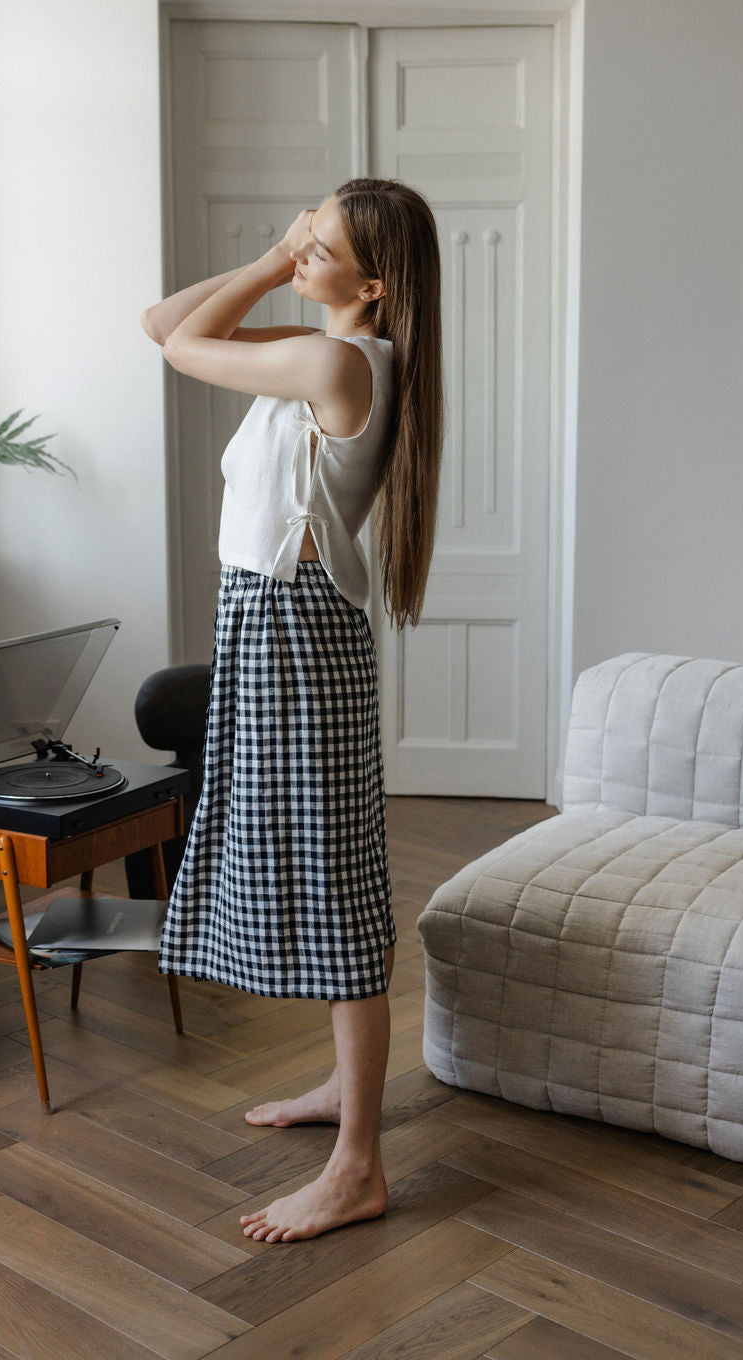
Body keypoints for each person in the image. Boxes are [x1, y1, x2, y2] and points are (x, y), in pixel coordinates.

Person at [142, 178, 443, 1242]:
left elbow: (177, 348)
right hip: (269, 622)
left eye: (320, 246)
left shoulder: (334, 360)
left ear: (372, 283)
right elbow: (163, 320)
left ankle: (358, 1163)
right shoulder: (333, 349)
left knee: (334, 877)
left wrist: (271, 268)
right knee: (329, 867)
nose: (297, 250)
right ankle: (341, 1094)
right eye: (302, 235)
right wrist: (284, 259)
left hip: (291, 629)